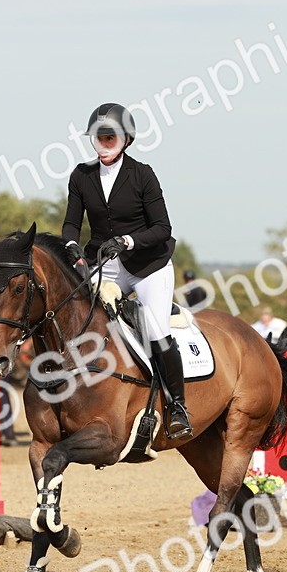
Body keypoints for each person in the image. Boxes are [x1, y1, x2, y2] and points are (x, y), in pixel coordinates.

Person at [61, 102, 192, 439]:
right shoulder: (81, 175)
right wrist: (72, 247)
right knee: (76, 314)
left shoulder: (142, 174)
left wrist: (128, 241)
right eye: (98, 137)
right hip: (106, 264)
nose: (103, 142)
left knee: (155, 328)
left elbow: (163, 227)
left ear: (125, 140)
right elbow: (71, 224)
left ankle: (177, 405)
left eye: (110, 136)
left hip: (149, 265)